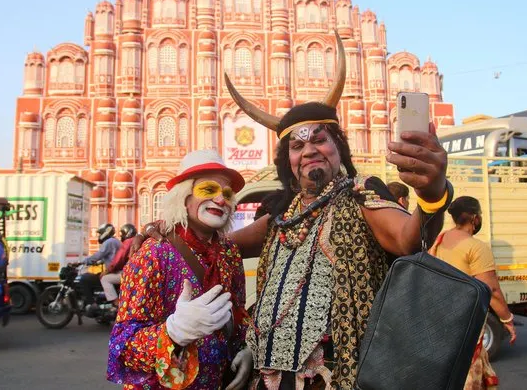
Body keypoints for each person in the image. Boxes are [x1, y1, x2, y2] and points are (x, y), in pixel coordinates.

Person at [137, 32, 451, 388]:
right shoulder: (282, 217)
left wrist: (432, 192)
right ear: (288, 161)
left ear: (338, 147)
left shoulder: (363, 197)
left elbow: (408, 239)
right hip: (269, 375)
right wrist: (171, 229)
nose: (310, 150)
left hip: (336, 376)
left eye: (320, 139)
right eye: (297, 146)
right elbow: (220, 246)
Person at [107, 150, 250, 390]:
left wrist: (246, 348)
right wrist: (173, 332)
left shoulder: (229, 252)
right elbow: (123, 348)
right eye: (208, 189)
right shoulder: (153, 253)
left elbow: (238, 312)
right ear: (183, 196)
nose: (221, 200)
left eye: (227, 193)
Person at [429, 196, 516, 389]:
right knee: (468, 379)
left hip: (440, 322)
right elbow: (491, 290)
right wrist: (506, 319)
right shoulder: (476, 247)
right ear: (475, 218)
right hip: (465, 324)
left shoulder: (440, 240)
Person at [77, 223, 121, 313]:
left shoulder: (109, 242)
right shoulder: (115, 241)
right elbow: (110, 257)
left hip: (114, 273)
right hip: (116, 272)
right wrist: (99, 262)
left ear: (106, 232)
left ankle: (92, 304)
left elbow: (99, 255)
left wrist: (84, 261)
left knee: (85, 279)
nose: (100, 236)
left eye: (100, 233)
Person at [101, 223, 136, 310]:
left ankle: (116, 303)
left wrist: (108, 271)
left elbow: (119, 259)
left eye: (122, 233)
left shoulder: (128, 242)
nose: (122, 236)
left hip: (130, 273)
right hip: (137, 272)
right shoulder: (139, 240)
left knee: (105, 279)